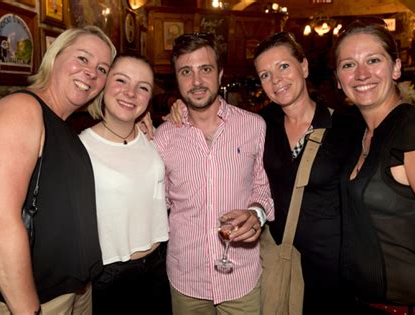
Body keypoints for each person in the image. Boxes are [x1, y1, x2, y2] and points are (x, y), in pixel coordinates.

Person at [0, 25, 116, 314]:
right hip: (28, 299)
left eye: (102, 69)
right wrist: (29, 310)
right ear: (55, 56)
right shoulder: (22, 109)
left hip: (70, 290)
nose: (92, 72)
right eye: (83, 59)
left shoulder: (61, 123)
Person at [154, 33, 274, 314]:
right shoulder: (163, 138)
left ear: (219, 74)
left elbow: (262, 187)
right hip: (187, 280)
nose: (196, 82)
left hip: (240, 278)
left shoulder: (254, 126)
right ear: (177, 78)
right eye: (186, 71)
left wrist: (256, 213)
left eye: (205, 69)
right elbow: (159, 203)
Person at [333, 20, 415, 314]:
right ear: (338, 79)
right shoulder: (362, 134)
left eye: (373, 60)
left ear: (396, 68)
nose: (362, 74)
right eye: (348, 65)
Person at [253, 32, 362, 314]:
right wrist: (175, 109)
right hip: (277, 263)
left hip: (330, 274)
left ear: (303, 66)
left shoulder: (347, 129)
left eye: (283, 66)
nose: (276, 80)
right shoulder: (259, 126)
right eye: (265, 74)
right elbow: (213, 123)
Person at [79, 55, 171, 314]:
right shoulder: (81, 147)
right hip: (111, 275)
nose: (131, 93)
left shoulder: (152, 136)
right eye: (121, 81)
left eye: (143, 87)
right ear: (104, 85)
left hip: (158, 264)